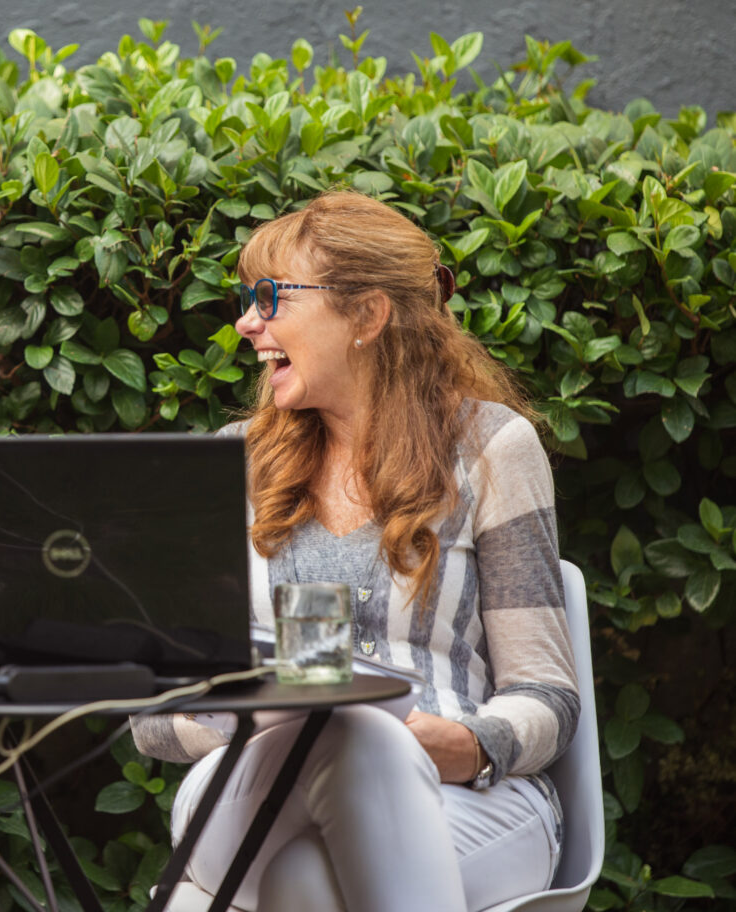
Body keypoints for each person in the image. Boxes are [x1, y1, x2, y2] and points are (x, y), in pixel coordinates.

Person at [132, 191, 580, 912]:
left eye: (270, 297)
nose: (246, 322)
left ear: (367, 315)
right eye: (247, 299)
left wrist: (470, 744)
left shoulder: (492, 447)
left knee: (310, 875)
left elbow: (548, 696)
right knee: (343, 740)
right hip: (256, 781)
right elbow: (154, 715)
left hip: (462, 793)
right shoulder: (229, 463)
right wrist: (256, 715)